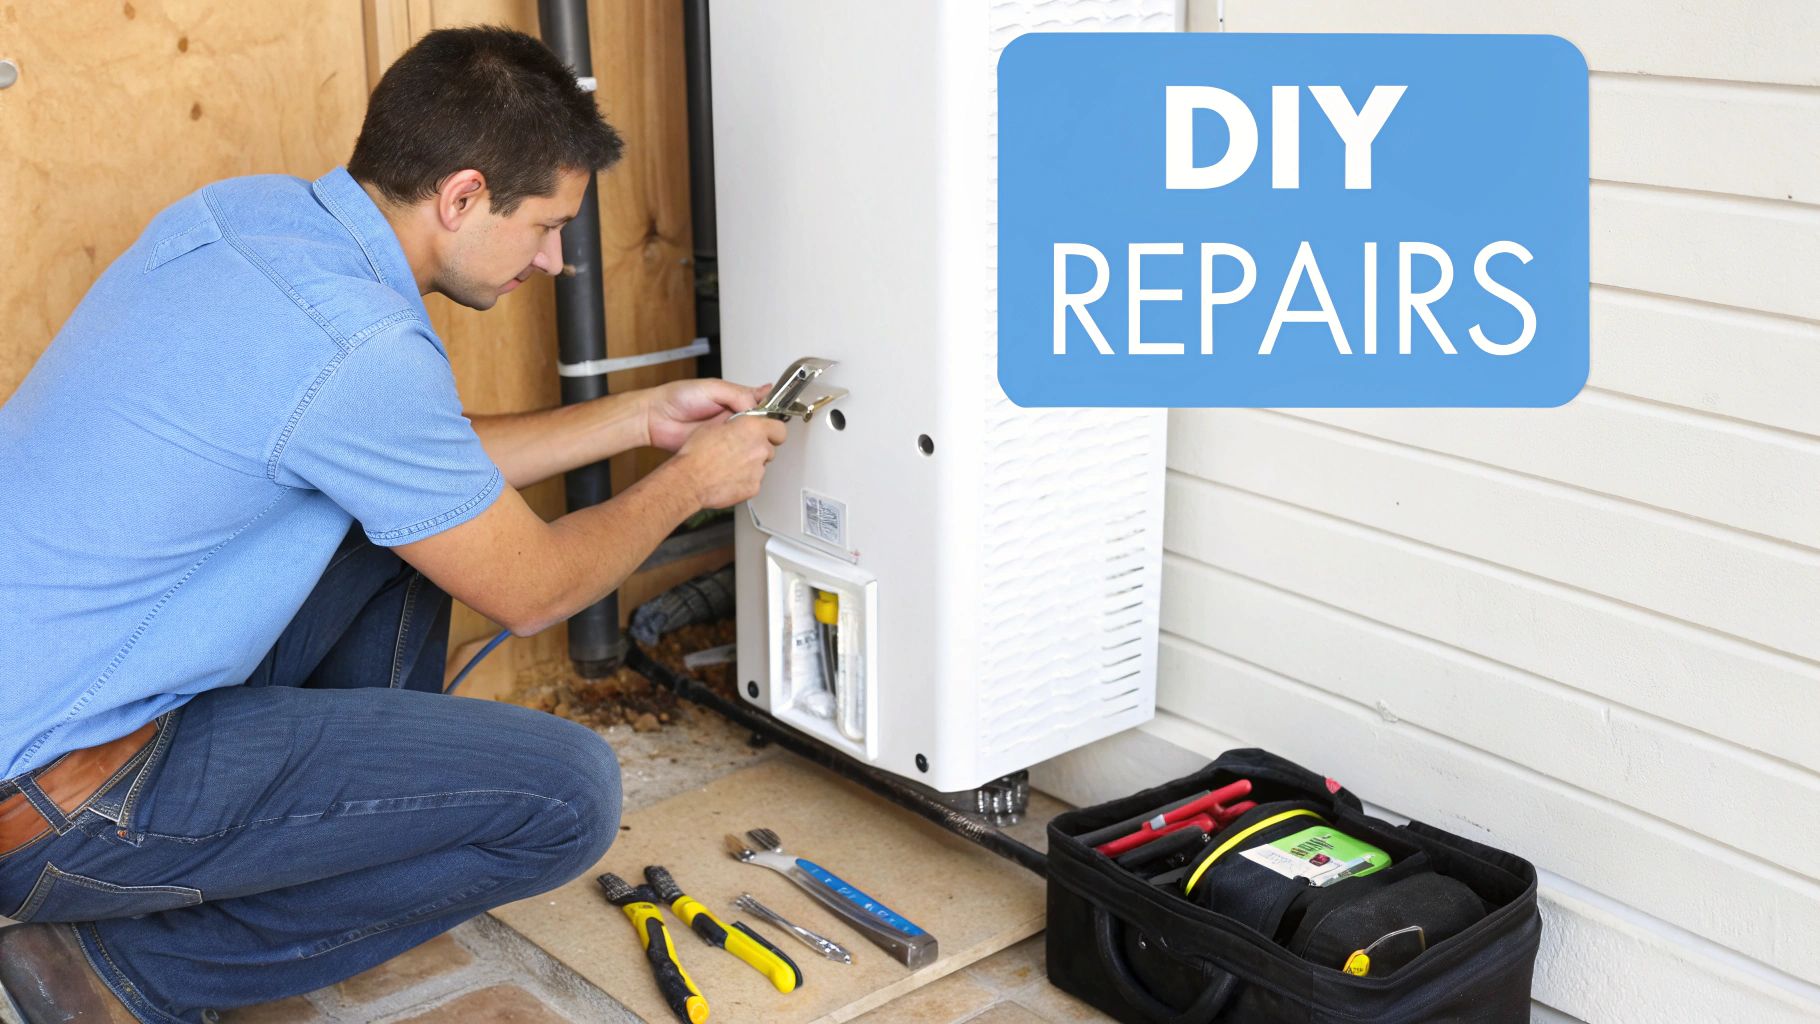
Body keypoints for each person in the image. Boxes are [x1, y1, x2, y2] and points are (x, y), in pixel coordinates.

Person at [0, 25, 785, 1024]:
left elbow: (423, 461)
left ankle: (308, 845)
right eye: (544, 225)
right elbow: (533, 590)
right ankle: (123, 972)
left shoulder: (253, 218)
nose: (556, 260)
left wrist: (637, 418)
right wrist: (688, 483)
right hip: (59, 808)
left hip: (44, 714)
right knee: (568, 796)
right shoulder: (359, 344)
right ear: (460, 196)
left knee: (408, 529)